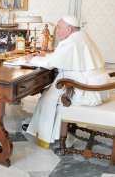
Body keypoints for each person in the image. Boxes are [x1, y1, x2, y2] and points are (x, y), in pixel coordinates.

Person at [24, 15, 111, 148]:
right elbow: (62, 57)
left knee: (47, 97)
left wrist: (31, 59)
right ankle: (42, 127)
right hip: (98, 87)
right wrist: (47, 55)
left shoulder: (70, 42)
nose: (56, 31)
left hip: (86, 90)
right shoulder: (81, 36)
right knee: (48, 93)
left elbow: (50, 63)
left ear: (69, 29)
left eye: (59, 27)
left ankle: (44, 133)